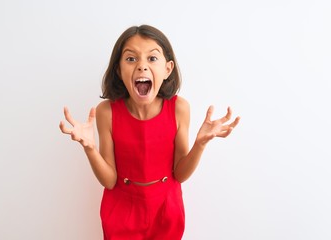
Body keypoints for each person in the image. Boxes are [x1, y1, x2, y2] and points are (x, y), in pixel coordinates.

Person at [59, 24, 240, 240]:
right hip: (120, 210)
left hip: (167, 210)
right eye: (131, 59)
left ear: (167, 69)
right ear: (118, 69)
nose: (142, 66)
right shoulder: (106, 111)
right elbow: (109, 181)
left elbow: (180, 174)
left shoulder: (180, 108)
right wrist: (90, 148)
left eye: (152, 58)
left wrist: (200, 144)